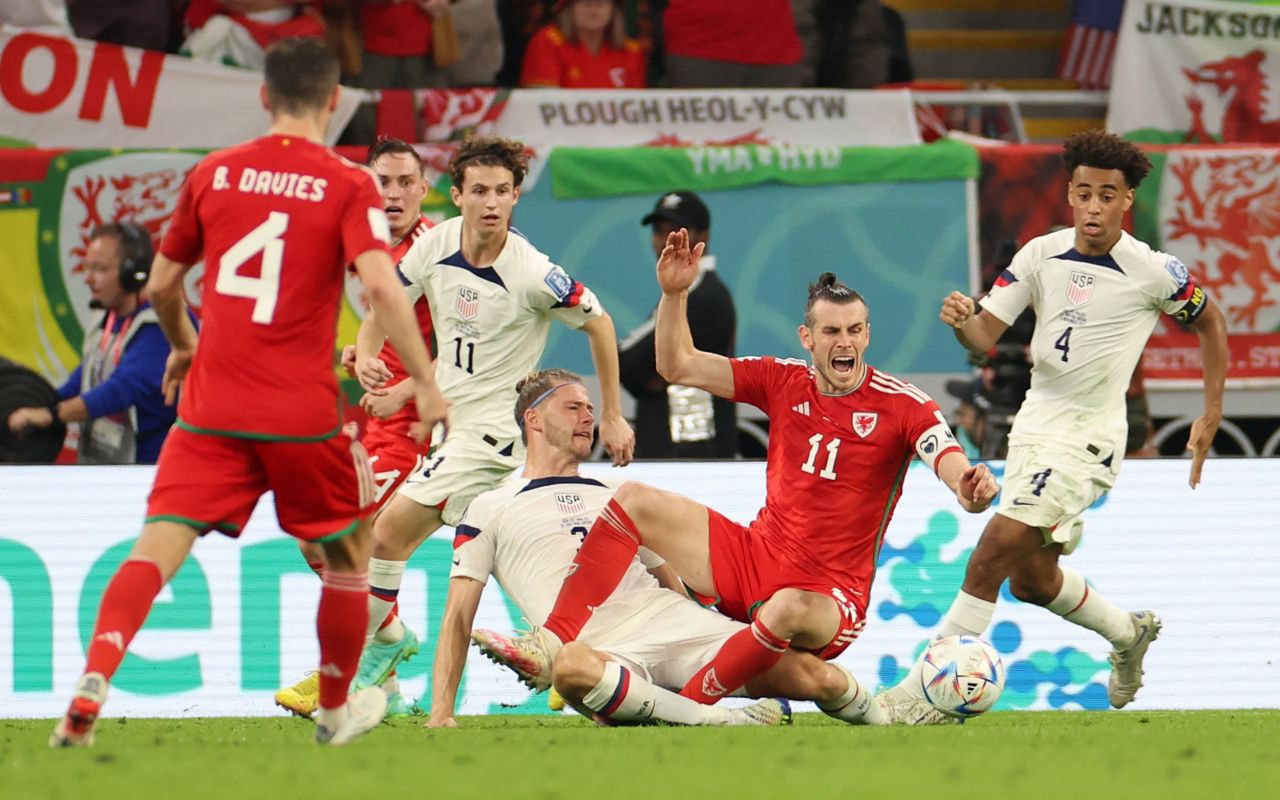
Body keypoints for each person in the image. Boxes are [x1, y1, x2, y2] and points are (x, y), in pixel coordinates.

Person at [49, 37, 446, 749]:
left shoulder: (214, 172)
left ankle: (94, 679)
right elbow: (382, 286)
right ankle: (333, 711)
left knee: (156, 548)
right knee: (350, 559)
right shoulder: (346, 183)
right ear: (333, 101)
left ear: (263, 97)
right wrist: (425, 381)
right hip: (299, 412)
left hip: (211, 407)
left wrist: (182, 347)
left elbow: (165, 286)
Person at [473, 233, 998, 707]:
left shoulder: (902, 404)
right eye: (832, 331)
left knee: (792, 619)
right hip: (756, 559)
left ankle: (690, 709)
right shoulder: (781, 379)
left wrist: (968, 488)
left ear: (867, 334)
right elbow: (677, 365)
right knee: (631, 498)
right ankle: (550, 642)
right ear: (807, 337)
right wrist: (675, 296)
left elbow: (950, 463)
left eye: (856, 330)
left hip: (829, 597)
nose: (845, 342)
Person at [879, 130, 1230, 723]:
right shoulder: (1039, 255)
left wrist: (1211, 410)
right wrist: (963, 321)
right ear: (1070, 194)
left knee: (990, 554)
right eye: (1085, 193)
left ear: (1127, 202)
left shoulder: (1154, 271)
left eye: (1108, 196)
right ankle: (1127, 633)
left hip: (1088, 440)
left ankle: (920, 695)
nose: (1094, 207)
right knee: (1033, 581)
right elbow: (985, 335)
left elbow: (1211, 322)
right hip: (1033, 428)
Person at [337, 134, 635, 707]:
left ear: (516, 197)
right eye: (479, 191)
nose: (491, 203)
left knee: (385, 536)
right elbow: (388, 303)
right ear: (457, 195)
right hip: (461, 425)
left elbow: (599, 324)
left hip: (493, 435)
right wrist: (370, 353)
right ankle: (585, 663)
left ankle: (366, 663)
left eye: (503, 191)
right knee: (512, 557)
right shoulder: (436, 244)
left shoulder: (533, 273)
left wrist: (615, 417)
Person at [430, 368, 886, 729]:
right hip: (601, 651)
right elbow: (457, 615)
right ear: (533, 419)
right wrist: (441, 711)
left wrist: (708, 622)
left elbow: (666, 576)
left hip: (671, 623)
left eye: (591, 407)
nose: (588, 417)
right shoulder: (489, 506)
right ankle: (716, 719)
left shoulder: (619, 492)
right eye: (573, 408)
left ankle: (895, 712)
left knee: (816, 677)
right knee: (570, 670)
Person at [273, 136, 436, 719]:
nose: (391, 194)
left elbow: (476, 349)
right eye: (380, 184)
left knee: (344, 535)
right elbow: (376, 319)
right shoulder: (371, 250)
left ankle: (356, 660)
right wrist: (362, 358)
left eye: (402, 183)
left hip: (427, 433)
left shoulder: (438, 251)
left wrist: (407, 388)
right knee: (312, 532)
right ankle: (386, 681)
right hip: (379, 426)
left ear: (423, 188)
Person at [7, 223, 181, 465]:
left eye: (99, 269)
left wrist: (50, 415)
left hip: (149, 469)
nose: (88, 279)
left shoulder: (159, 325)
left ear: (132, 273)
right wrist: (38, 403)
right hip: (108, 466)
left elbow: (121, 390)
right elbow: (88, 376)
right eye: (87, 268)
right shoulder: (106, 318)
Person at [619, 191, 736, 459]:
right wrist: (651, 376)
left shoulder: (703, 295)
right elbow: (632, 366)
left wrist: (660, 373)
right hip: (679, 442)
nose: (665, 242)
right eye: (660, 231)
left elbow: (626, 362)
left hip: (690, 445)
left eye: (677, 232)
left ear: (703, 237)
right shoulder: (683, 293)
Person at [520, 0, 647, 89]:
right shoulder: (546, 42)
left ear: (614, 9)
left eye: (602, 2)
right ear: (569, 8)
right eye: (584, 2)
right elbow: (542, 106)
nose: (594, 7)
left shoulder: (631, 51)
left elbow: (634, 111)